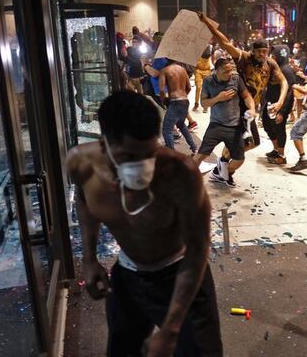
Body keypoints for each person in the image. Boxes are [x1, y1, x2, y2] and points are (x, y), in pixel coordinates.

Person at [66, 91, 223, 356]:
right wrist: (90, 260)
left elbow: (197, 250)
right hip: (128, 277)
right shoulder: (82, 164)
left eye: (148, 154)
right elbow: (84, 202)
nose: (143, 166)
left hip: (179, 273)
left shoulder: (179, 173)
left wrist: (171, 328)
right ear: (105, 144)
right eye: (130, 156)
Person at [197, 12, 288, 172]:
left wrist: (280, 102)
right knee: (248, 142)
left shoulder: (270, 63)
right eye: (260, 51)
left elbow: (284, 81)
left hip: (251, 108)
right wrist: (206, 22)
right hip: (239, 108)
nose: (263, 54)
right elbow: (224, 42)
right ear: (253, 50)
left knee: (248, 142)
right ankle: (223, 168)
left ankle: (223, 163)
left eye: (265, 51)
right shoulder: (244, 58)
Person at [194, 58, 256, 187]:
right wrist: (218, 98)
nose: (229, 74)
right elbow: (204, 103)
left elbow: (247, 96)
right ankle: (187, 178)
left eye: (231, 70)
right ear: (216, 71)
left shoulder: (235, 79)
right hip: (216, 125)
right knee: (201, 155)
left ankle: (222, 173)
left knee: (239, 160)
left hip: (235, 126)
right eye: (225, 72)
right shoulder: (208, 81)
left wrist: (252, 109)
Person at [263, 45, 295, 165]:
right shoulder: (277, 68)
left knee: (279, 129)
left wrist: (282, 112)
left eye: (274, 55)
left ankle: (281, 156)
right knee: (267, 125)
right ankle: (276, 149)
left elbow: (289, 94)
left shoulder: (286, 70)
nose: (272, 57)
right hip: (271, 103)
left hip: (280, 106)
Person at [159, 60, 198, 154]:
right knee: (181, 125)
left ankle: (171, 153)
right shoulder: (183, 70)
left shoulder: (164, 70)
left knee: (166, 129)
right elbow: (188, 88)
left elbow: (161, 90)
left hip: (174, 101)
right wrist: (183, 97)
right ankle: (194, 148)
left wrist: (164, 101)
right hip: (185, 101)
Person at [194, 45, 213, 113]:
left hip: (207, 70)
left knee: (206, 88)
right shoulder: (198, 47)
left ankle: (205, 106)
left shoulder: (210, 47)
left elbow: (213, 58)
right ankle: (196, 103)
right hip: (198, 70)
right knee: (198, 87)